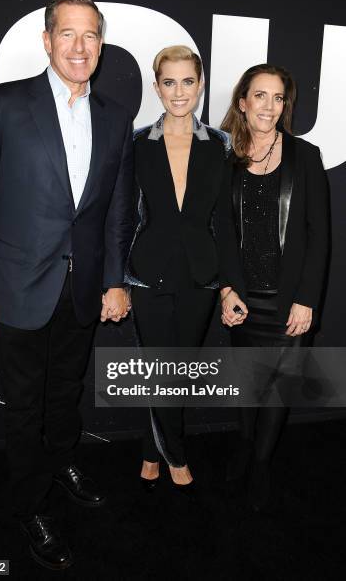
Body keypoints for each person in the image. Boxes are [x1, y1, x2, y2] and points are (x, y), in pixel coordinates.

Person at [0, 0, 133, 570]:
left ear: (101, 45)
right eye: (68, 34)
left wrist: (114, 280)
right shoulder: (4, 105)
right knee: (25, 406)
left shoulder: (114, 117)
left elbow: (115, 213)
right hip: (15, 286)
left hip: (81, 290)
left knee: (65, 394)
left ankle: (58, 464)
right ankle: (30, 504)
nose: (80, 47)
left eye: (91, 37)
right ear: (48, 40)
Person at [216, 64, 330, 511]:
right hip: (244, 296)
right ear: (242, 102)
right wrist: (227, 290)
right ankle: (244, 447)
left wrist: (307, 300)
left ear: (285, 105)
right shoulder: (224, 158)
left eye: (278, 98)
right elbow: (221, 231)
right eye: (259, 96)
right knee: (247, 383)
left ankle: (262, 464)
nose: (268, 106)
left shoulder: (305, 155)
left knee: (280, 387)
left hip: (289, 301)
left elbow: (320, 234)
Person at [126, 46, 230, 493]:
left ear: (200, 84)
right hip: (148, 271)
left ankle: (152, 450)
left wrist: (226, 284)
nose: (179, 91)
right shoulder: (136, 143)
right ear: (157, 87)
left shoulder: (220, 144)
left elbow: (224, 219)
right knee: (158, 365)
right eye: (169, 82)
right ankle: (175, 454)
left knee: (180, 367)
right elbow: (123, 215)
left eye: (188, 81)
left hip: (200, 272)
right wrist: (117, 278)